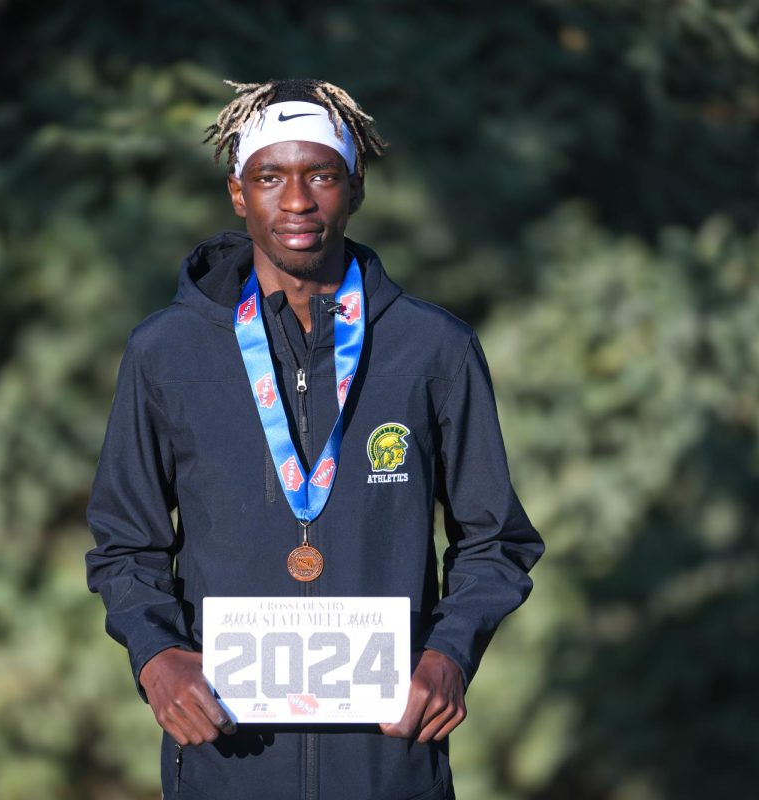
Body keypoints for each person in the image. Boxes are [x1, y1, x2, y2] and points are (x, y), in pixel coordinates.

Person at [86, 78, 543, 800]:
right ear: (238, 192)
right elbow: (125, 544)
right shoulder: (167, 351)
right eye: (270, 177)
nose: (296, 202)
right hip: (225, 762)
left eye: (320, 175)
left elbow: (495, 540)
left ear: (355, 188)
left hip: (389, 765)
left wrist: (450, 655)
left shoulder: (432, 349)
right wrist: (157, 654)